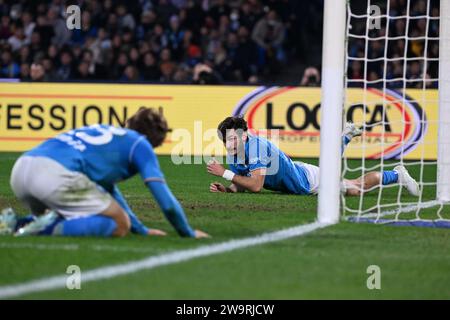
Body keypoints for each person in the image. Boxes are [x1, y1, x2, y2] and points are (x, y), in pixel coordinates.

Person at [1, 107, 209, 239]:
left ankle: (17, 222)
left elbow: (109, 191)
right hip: (55, 176)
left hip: (22, 168)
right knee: (119, 224)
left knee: (64, 215)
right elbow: (165, 201)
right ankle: (40, 231)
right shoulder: (140, 143)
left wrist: (141, 230)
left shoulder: (107, 132)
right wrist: (187, 233)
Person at [207, 116, 420, 197]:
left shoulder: (257, 147)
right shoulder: (234, 155)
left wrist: (225, 173)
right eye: (226, 140)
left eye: (233, 139)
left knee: (356, 188)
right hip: (299, 173)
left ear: (244, 136)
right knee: (347, 182)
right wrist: (227, 189)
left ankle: (397, 174)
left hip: (307, 181)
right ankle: (345, 138)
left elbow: (255, 185)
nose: (229, 144)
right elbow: (241, 184)